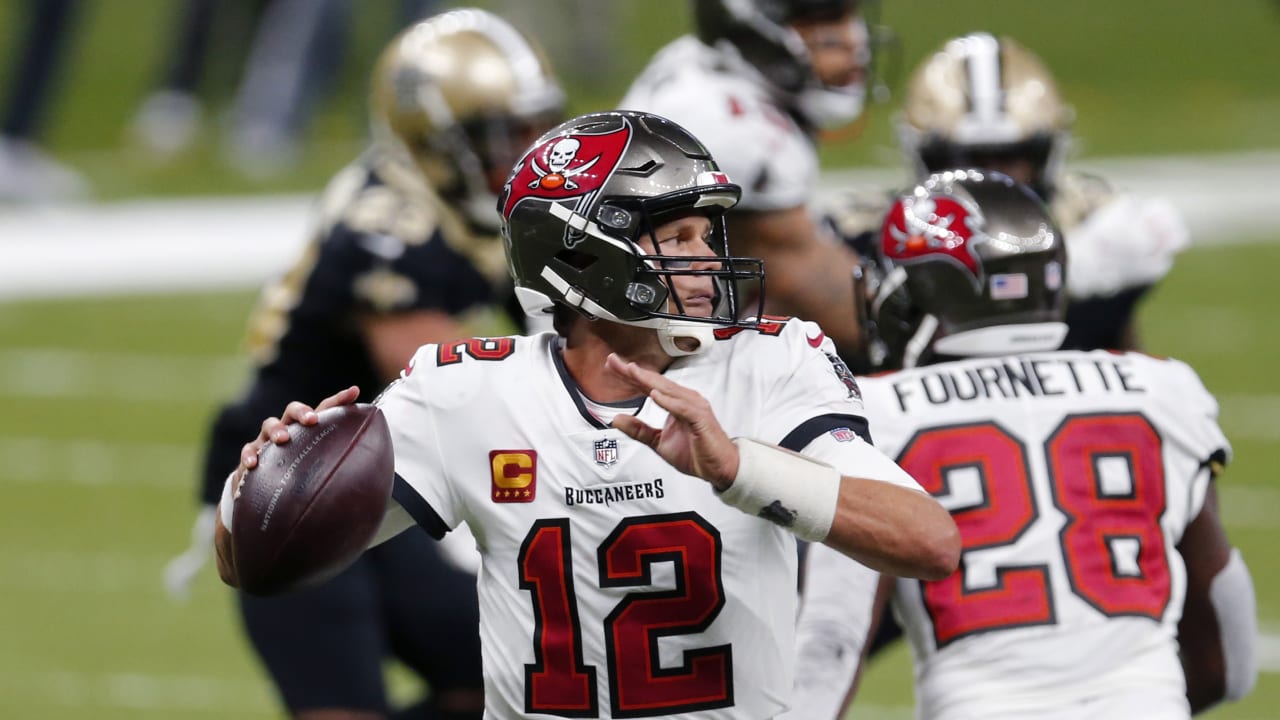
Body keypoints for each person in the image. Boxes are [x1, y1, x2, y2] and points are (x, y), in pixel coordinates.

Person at [213, 109, 961, 719]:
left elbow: (928, 541)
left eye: (709, 236)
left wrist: (740, 469)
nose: (706, 262)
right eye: (677, 238)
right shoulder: (467, 392)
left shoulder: (773, 363)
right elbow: (262, 561)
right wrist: (257, 490)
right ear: (580, 255)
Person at [168, 9, 567, 719]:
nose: (528, 149)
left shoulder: (473, 201)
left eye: (534, 125)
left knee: (499, 682)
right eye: (506, 132)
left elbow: (556, 331)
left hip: (384, 470)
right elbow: (448, 374)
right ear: (438, 140)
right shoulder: (387, 226)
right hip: (295, 477)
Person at [788, 170, 1257, 718]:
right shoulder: (1160, 391)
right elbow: (1226, 651)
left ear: (925, 291)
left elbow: (831, 640)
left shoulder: (875, 411)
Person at [830, 31, 1188, 353]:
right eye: (965, 160)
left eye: (1010, 158)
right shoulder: (862, 232)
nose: (988, 177)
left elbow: (1125, 360)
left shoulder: (1099, 220)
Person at [619, 0, 876, 361]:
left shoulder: (699, 64)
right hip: (639, 374)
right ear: (750, 28)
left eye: (849, 17)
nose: (852, 40)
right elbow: (838, 307)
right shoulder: (731, 126)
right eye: (820, 20)